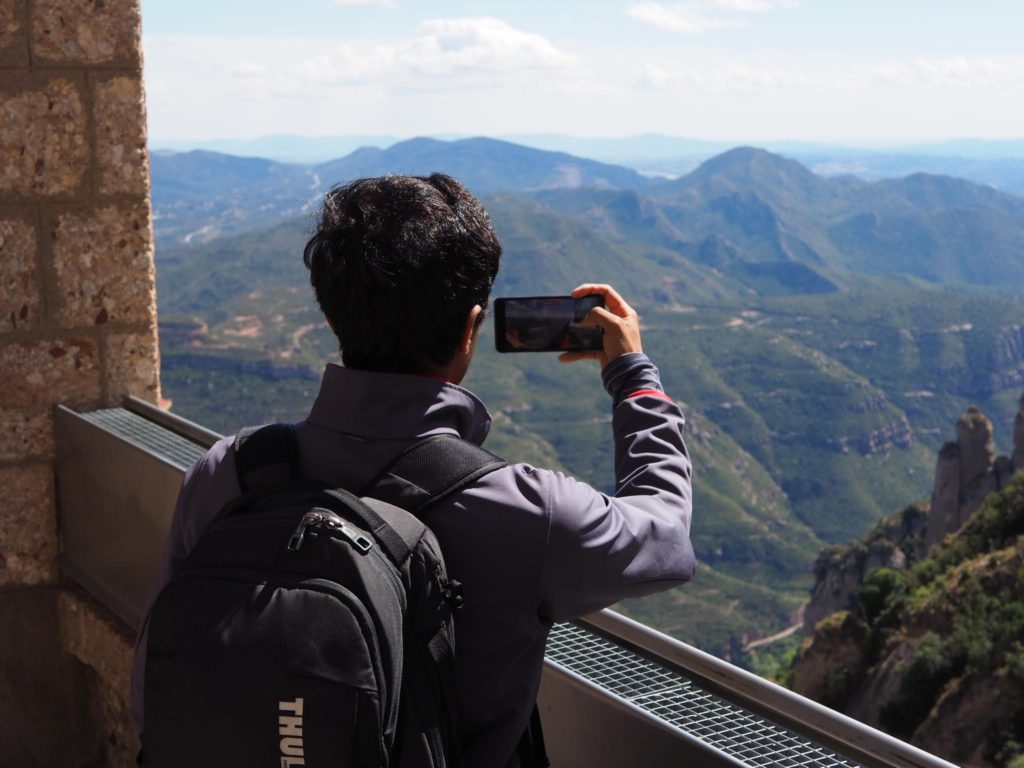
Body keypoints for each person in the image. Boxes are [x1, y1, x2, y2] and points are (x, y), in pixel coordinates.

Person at [131, 173, 694, 767]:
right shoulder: (525, 512)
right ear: (472, 326)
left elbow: (154, 686)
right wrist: (634, 378)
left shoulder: (227, 472)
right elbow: (667, 537)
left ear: (331, 314)